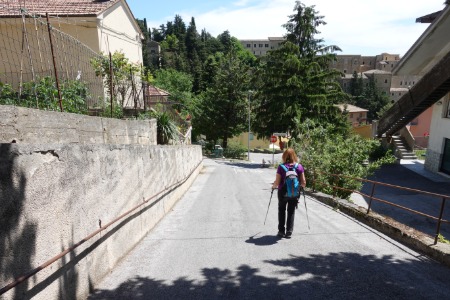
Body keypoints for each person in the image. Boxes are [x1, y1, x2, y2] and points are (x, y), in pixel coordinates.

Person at [271, 148, 306, 238]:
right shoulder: (299, 167)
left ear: (284, 156)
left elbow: (277, 182)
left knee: (281, 210)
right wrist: (298, 188)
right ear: (294, 155)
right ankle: (289, 232)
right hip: (294, 193)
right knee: (291, 211)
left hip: (282, 192)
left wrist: (273, 187)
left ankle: (281, 231)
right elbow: (303, 183)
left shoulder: (281, 167)